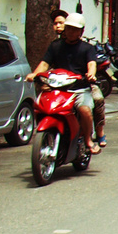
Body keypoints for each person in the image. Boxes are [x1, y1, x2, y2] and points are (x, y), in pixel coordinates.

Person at [25, 13, 100, 154]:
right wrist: (35, 74)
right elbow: (44, 64)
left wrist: (91, 74)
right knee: (41, 107)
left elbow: (92, 64)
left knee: (85, 110)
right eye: (69, 28)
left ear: (81, 31)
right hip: (58, 90)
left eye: (75, 29)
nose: (71, 32)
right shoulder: (55, 46)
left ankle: (88, 139)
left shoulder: (87, 48)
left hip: (79, 89)